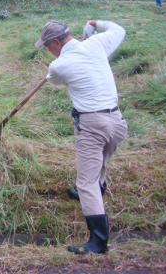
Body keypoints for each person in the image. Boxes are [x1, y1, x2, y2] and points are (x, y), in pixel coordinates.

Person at [35, 20, 128, 255]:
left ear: (56, 42)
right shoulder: (97, 44)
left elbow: (55, 79)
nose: (48, 50)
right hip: (116, 122)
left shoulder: (59, 65)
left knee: (85, 183)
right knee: (101, 160)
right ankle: (97, 189)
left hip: (92, 124)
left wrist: (60, 61)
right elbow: (119, 30)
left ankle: (98, 243)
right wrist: (96, 25)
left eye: (47, 46)